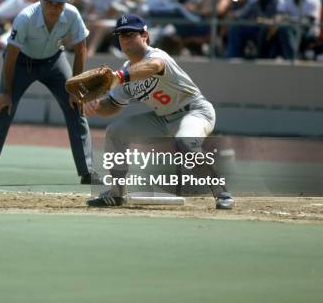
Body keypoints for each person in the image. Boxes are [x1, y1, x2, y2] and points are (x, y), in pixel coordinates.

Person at [82, 14, 234, 210]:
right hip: (162, 119)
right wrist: (94, 106)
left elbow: (154, 67)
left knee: (186, 142)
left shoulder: (156, 56)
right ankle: (116, 193)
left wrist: (120, 76)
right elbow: (112, 105)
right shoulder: (125, 69)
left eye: (130, 33)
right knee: (116, 131)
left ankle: (222, 193)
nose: (125, 39)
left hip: (195, 111)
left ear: (145, 35)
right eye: (120, 35)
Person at [0, 0, 96, 185]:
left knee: (76, 106)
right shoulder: (25, 18)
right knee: (3, 109)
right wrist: (6, 92)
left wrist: (76, 88)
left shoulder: (72, 14)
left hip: (54, 61)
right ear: (41, 1)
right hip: (20, 63)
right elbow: (10, 56)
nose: (55, 8)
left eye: (59, 4)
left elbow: (81, 49)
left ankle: (88, 171)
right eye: (50, 3)